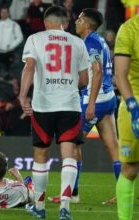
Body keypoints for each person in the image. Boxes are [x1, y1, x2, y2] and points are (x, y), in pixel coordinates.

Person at [18, 6, 89, 219]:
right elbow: (84, 80)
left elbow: (29, 67)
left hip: (43, 106)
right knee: (69, 155)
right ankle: (65, 206)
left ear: (46, 23)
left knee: (41, 155)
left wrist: (23, 96)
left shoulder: (35, 39)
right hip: (69, 105)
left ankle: (39, 207)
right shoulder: (78, 43)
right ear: (65, 24)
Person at [48, 8, 121, 205]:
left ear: (87, 25)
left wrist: (90, 104)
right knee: (113, 147)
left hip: (94, 101)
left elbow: (96, 72)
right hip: (108, 99)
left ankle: (72, 193)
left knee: (70, 145)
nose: (76, 22)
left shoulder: (90, 43)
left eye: (80, 19)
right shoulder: (101, 41)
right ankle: (124, 192)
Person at [114, 13, 139, 220]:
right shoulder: (129, 29)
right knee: (130, 168)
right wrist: (133, 106)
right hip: (135, 102)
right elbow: (120, 74)